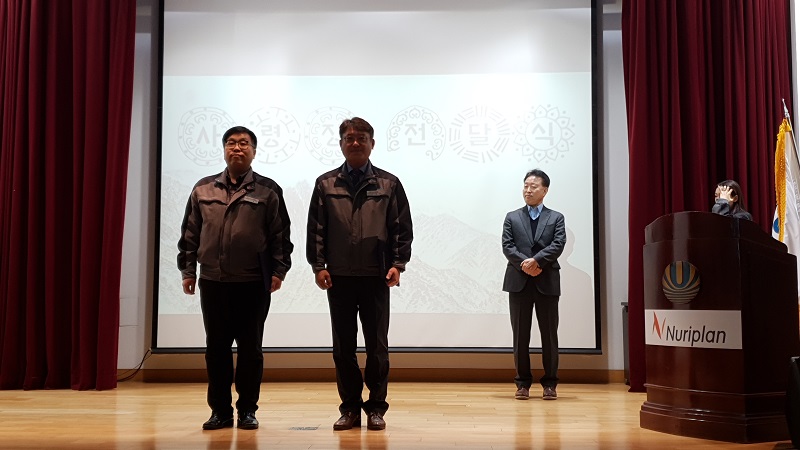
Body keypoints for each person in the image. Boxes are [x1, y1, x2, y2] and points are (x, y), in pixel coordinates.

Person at [178, 125, 293, 430]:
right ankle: (220, 411)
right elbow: (190, 233)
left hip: (253, 283)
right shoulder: (203, 189)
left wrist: (279, 271)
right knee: (216, 349)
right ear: (224, 150)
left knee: (250, 350)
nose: (237, 148)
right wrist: (188, 271)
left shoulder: (268, 190)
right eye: (231, 143)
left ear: (253, 151)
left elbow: (280, 235)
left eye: (244, 143)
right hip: (213, 282)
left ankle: (247, 410)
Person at [306, 117, 413, 431]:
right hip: (338, 277)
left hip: (376, 277)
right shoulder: (325, 184)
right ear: (341, 144)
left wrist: (398, 264)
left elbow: (401, 228)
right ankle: (350, 408)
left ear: (372, 144)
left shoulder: (389, 184)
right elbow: (316, 229)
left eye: (362, 138)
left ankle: (376, 408)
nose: (355, 143)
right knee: (343, 348)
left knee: (377, 347)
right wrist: (318, 265)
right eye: (349, 138)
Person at [502, 169, 566, 401]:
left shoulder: (556, 217)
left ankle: (550, 384)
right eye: (525, 186)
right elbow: (507, 246)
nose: (528, 190)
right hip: (519, 282)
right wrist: (525, 264)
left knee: (549, 335)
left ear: (545, 190)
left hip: (546, 281)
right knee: (520, 336)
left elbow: (558, 244)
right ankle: (522, 384)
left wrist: (536, 261)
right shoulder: (512, 217)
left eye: (533, 186)